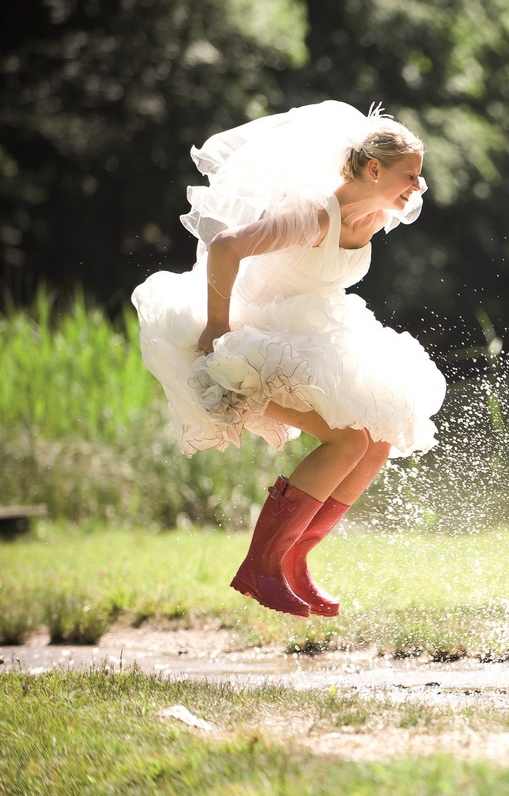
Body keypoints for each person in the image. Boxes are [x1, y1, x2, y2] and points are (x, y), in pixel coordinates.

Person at [133, 101, 447, 619]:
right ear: (374, 169)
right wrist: (218, 330)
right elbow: (227, 247)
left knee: (379, 438)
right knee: (348, 439)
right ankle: (263, 565)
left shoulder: (373, 216)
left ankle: (296, 559)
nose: (418, 186)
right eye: (408, 175)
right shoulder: (312, 215)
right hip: (254, 340)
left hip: (313, 333)